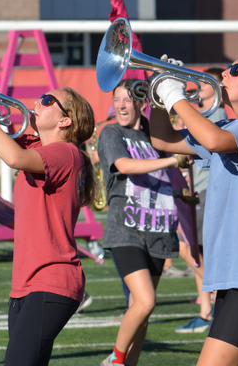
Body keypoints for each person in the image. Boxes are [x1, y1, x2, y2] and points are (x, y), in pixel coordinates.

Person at [150, 53, 238, 366]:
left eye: (237, 69)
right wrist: (159, 93)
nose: (226, 72)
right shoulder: (231, 126)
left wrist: (175, 94)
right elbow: (163, 139)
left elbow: (213, 140)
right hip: (237, 277)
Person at [0, 81, 96, 366]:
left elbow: (13, 158)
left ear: (65, 121)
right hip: (26, 283)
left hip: (51, 280)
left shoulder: (67, 153)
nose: (37, 102)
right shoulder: (36, 145)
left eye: (48, 100)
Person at [98, 78, 182, 366]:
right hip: (127, 230)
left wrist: (184, 196)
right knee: (146, 301)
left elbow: (159, 182)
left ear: (141, 103)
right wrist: (172, 161)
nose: (120, 106)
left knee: (141, 311)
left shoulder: (155, 137)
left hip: (160, 231)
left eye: (126, 100)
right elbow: (125, 166)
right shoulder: (111, 133)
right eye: (116, 100)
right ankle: (115, 359)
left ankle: (127, 364)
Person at [173, 66, 228, 334]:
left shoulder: (216, 113)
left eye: (205, 83)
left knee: (195, 252)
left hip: (208, 191)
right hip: (197, 190)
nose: (199, 86)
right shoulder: (203, 113)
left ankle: (214, 302)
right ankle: (206, 309)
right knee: (195, 251)